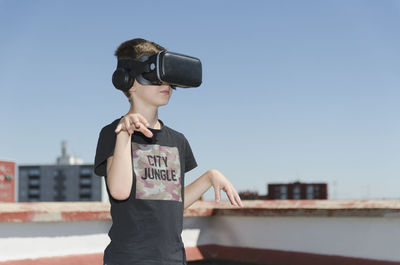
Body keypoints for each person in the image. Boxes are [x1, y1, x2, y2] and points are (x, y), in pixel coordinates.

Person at [94, 38, 243, 265]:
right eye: (155, 77)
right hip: (129, 259)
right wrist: (124, 133)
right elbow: (120, 191)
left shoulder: (178, 141)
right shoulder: (113, 133)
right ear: (128, 82)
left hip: (173, 259)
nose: (166, 85)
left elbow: (171, 206)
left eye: (169, 79)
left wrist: (209, 178)